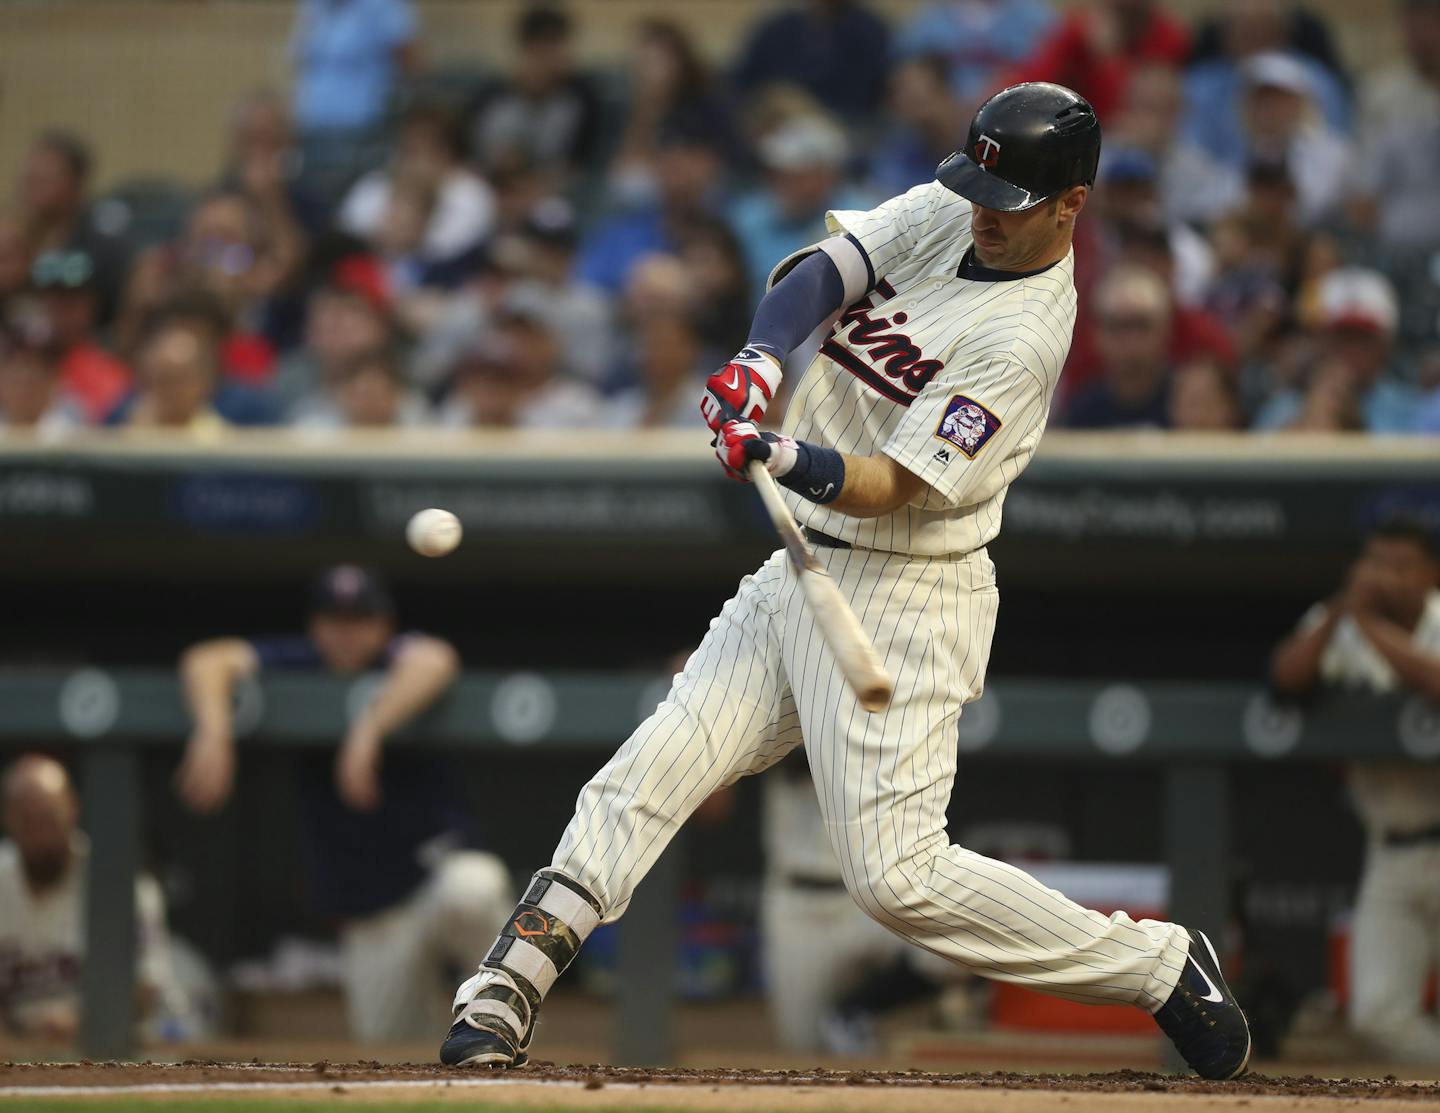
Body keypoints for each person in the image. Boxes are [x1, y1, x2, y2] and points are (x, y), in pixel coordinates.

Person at [440, 82, 1251, 1082]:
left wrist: (788, 458)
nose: (983, 219)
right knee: (654, 767)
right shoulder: (959, 204)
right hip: (803, 566)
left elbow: (900, 485)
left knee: (899, 880)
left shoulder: (1025, 335)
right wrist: (757, 362)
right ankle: (505, 988)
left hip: (912, 589)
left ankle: (1159, 965)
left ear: (1070, 206)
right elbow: (823, 272)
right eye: (978, 194)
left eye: (1010, 209)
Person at [174, 566, 512, 1042]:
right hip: (371, 912)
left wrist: (368, 730)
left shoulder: (398, 657)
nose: (347, 633)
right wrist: (214, 730)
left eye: (360, 620)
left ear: (384, 626)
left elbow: (436, 659)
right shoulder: (300, 662)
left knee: (475, 888)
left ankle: (500, 1016)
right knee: (388, 1052)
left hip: (433, 881)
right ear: (315, 626)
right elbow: (207, 660)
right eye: (335, 620)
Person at [1269, 519, 1440, 1064]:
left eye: (1399, 565)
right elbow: (1285, 677)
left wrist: (1366, 621)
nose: (1384, 577)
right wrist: (1347, 606)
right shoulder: (1344, 621)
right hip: (1390, 851)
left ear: (1430, 573)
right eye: (1375, 563)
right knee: (1378, 1015)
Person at [0, 756, 182, 1042]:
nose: (41, 836)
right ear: (8, 819)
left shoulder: (118, 881)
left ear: (72, 809)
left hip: (106, 1047)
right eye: (28, 822)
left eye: (48, 819)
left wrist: (84, 1019)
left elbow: (149, 985)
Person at [1253, 268, 1418, 434]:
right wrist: (1309, 417)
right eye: (1340, 338)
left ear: (1384, 346)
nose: (1349, 350)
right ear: (1320, 342)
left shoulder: (1410, 412)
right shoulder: (1282, 409)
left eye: (1361, 339)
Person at [728, 113, 870, 306]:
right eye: (778, 172)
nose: (783, 183)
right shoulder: (747, 216)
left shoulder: (863, 217)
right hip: (754, 328)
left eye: (797, 173)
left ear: (827, 174)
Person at [467, 5, 602, 183]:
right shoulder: (489, 98)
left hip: (553, 193)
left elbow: (579, 165)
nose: (561, 57)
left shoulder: (582, 97)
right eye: (550, 47)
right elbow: (470, 161)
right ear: (529, 49)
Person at [13, 132, 133, 327]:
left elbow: (83, 277)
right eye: (28, 178)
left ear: (76, 183)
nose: (31, 188)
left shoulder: (102, 241)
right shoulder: (15, 233)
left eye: (44, 180)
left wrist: (25, 270)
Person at [1003, 0, 1190, 122]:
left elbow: (1131, 109)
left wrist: (1108, 58)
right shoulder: (1078, 30)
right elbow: (1028, 89)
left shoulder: (1169, 37)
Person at [731, 0, 891, 123]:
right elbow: (741, 82)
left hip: (843, 128)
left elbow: (866, 99)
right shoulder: (778, 28)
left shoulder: (869, 33)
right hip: (772, 124)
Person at [29, 247, 132, 424]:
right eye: (55, 300)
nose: (63, 312)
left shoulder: (109, 373)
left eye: (73, 301)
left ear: (91, 304)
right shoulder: (17, 365)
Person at [1065, 265, 1174, 428]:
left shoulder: (1188, 405)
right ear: (1097, 335)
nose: (1131, 340)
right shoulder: (1081, 412)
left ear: (1165, 329)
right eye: (1117, 326)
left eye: (1141, 325)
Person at [290, 0, 419, 137]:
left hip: (364, 129)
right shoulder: (314, 7)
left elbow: (409, 61)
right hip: (312, 127)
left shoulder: (382, 6)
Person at [894, 0, 1054, 101]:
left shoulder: (1030, 15)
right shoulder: (933, 16)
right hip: (944, 115)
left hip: (1009, 109)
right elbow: (909, 65)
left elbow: (1045, 66)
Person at [869, 56, 975, 198]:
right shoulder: (901, 148)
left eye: (915, 95)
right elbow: (885, 196)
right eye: (898, 93)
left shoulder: (980, 144)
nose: (902, 100)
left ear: (945, 92)